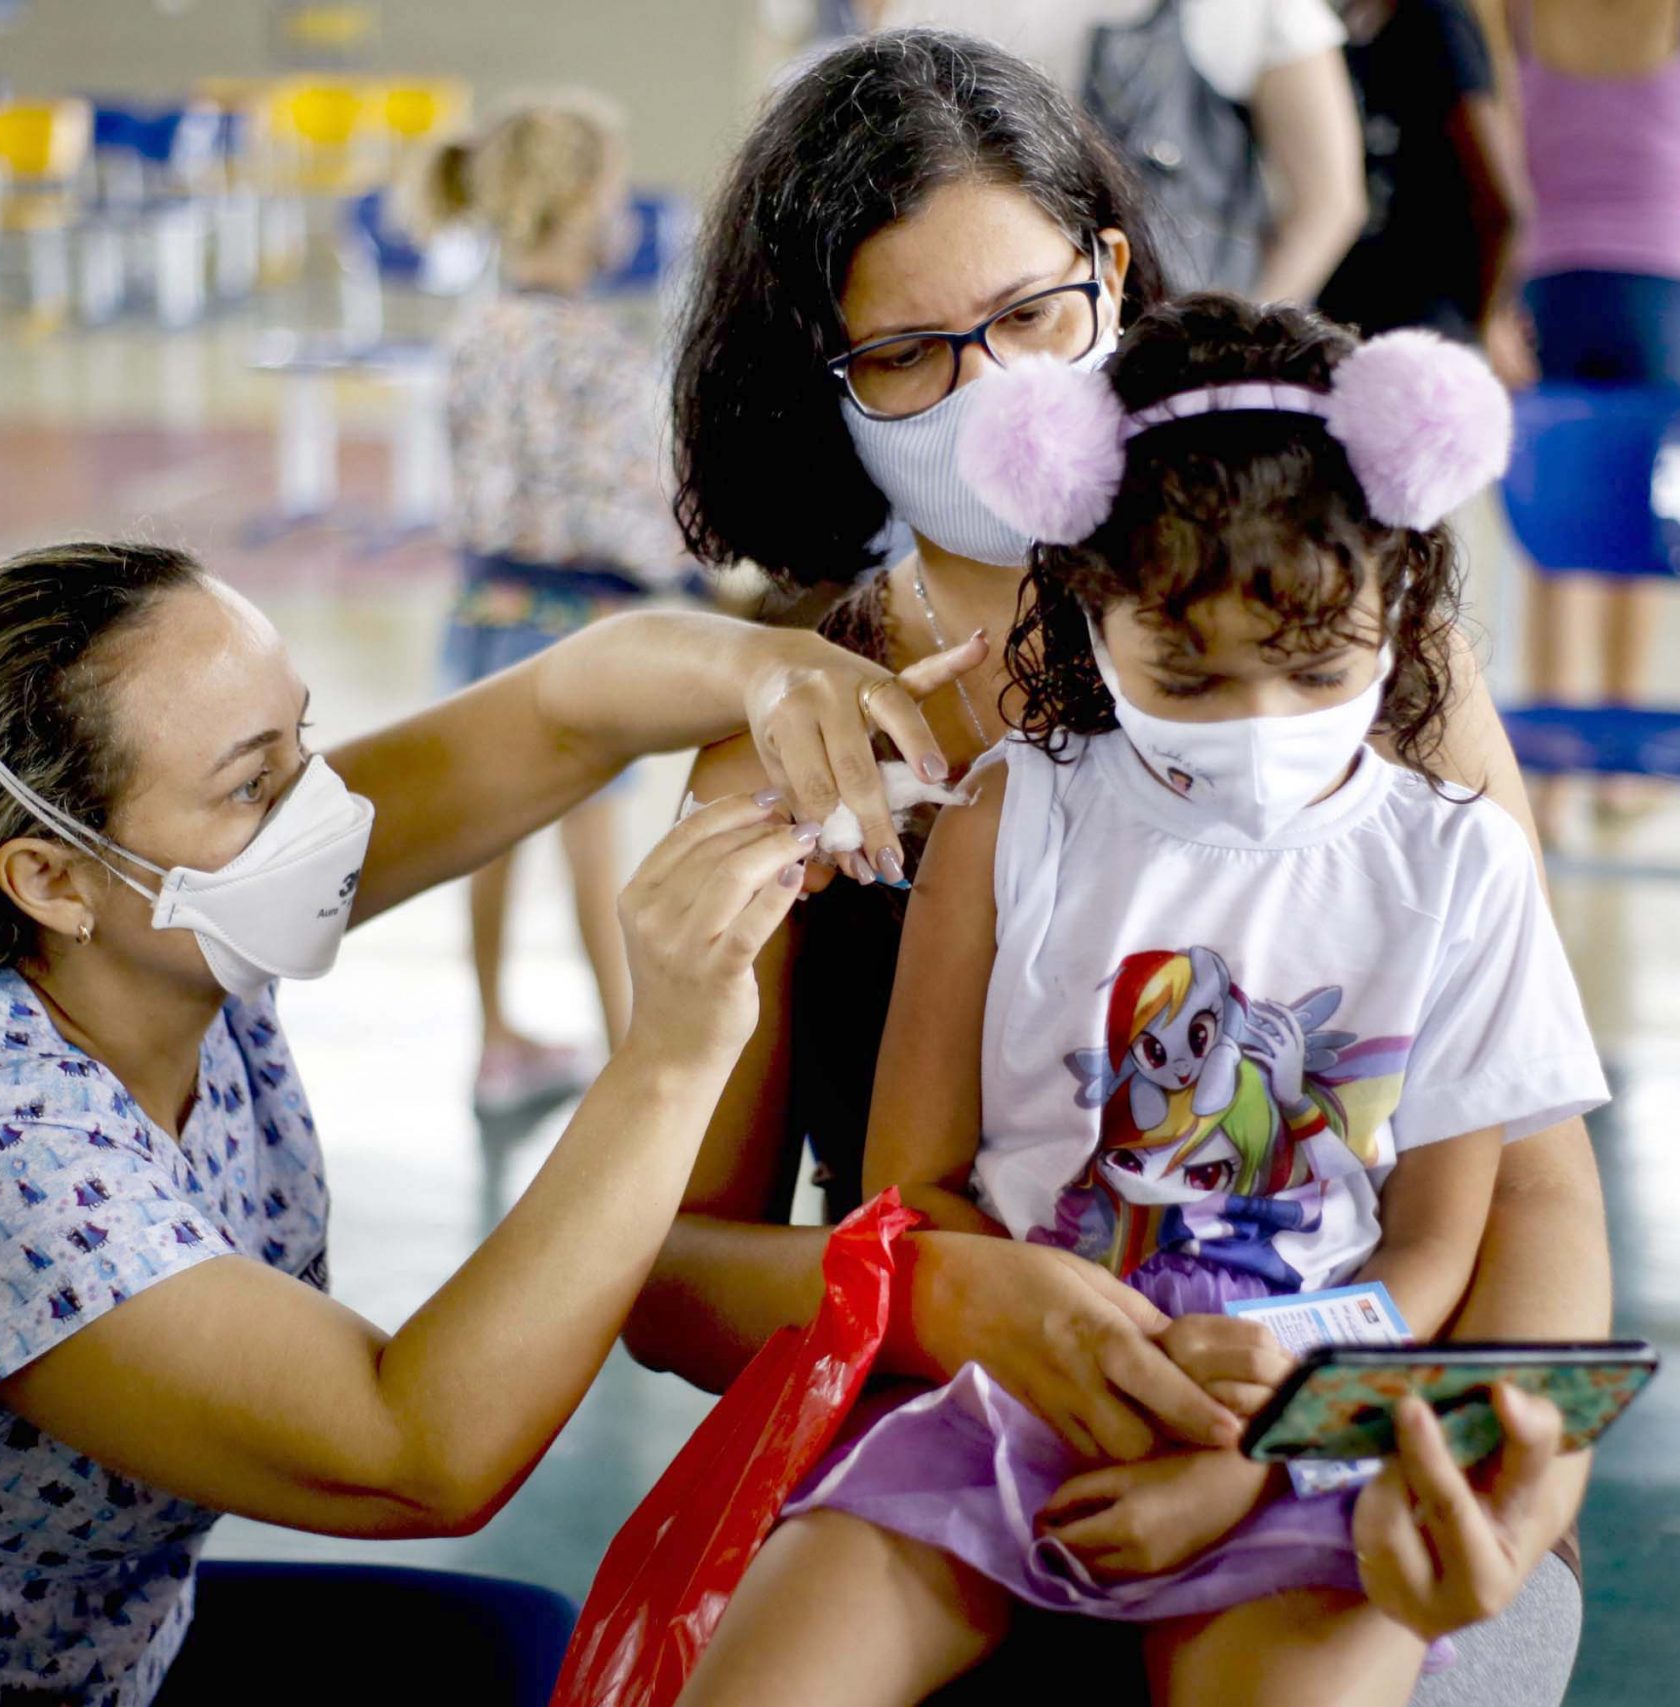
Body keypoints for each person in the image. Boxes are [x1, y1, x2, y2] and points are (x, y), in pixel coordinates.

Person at [636, 31, 1613, 1702]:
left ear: (1111, 277)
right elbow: (671, 1274)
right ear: (815, 369)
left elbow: (1526, 1220)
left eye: (1030, 316)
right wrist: (960, 1301)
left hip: (1353, 1440)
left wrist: (1472, 1499)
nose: (995, 386)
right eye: (906, 353)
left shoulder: (1375, 673)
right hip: (974, 1442)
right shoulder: (788, 740)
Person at [0, 541, 974, 1704]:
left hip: (100, 1659)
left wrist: (770, 669)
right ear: (51, 875)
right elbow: (417, 1455)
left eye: (303, 735)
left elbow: (567, 708)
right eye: (256, 780)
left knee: (508, 1650)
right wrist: (674, 1052)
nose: (322, 806)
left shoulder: (179, 927)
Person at [1483, 0, 1680, 821]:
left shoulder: (1506, 13)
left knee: (1557, 526)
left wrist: (1493, 298)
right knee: (1643, 524)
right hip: (1668, 290)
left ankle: (1549, 775)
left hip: (1548, 282)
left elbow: (1492, 156)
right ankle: (1622, 768)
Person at [434, 94, 688, 1109]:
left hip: (480, 609)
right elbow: (631, 509)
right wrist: (694, 573)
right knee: (594, 852)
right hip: (580, 623)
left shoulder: (473, 331)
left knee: (485, 836)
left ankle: (494, 1038)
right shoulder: (600, 353)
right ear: (585, 199)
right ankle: (627, 1050)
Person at [873, 0, 1368, 301]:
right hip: (1015, 352)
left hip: (1185, 342)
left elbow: (1329, 203)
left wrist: (1238, 344)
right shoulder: (927, 14)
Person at [1317, 0, 1533, 383]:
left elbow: (1503, 206)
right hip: (1343, 327)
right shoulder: (1332, 22)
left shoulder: (1436, 19)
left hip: (1426, 334)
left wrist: (1486, 324)